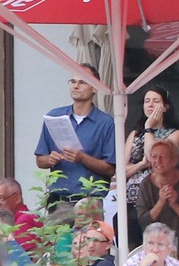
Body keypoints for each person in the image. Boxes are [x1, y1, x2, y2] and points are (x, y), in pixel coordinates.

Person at [33, 74, 118, 205]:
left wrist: (82, 158)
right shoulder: (54, 117)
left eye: (82, 82)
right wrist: (50, 159)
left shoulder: (106, 123)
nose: (75, 86)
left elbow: (110, 169)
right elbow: (40, 161)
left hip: (90, 201)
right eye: (72, 81)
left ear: (95, 88)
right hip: (58, 201)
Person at [118, 85, 179, 216]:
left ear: (165, 107)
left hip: (157, 198)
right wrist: (141, 165)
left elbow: (151, 157)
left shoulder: (175, 134)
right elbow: (120, 171)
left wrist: (148, 128)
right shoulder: (135, 134)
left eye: (156, 101)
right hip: (131, 198)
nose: (150, 105)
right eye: (147, 101)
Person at [138, 139, 179, 261]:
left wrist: (174, 204)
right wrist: (161, 202)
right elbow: (143, 222)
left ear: (174, 160)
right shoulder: (146, 184)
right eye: (154, 157)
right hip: (156, 252)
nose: (157, 161)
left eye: (162, 157)